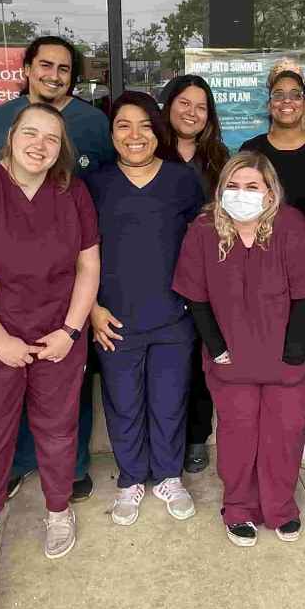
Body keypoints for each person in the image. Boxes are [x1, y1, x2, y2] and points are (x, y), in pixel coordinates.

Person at [0, 102, 100, 568]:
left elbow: (88, 266)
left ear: (62, 150)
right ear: (9, 137)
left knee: (57, 431)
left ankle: (58, 510)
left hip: (58, 334)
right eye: (30, 134)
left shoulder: (73, 193)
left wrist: (71, 332)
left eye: (51, 139)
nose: (40, 145)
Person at [0, 35, 111, 502]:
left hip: (69, 278)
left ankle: (70, 467)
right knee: (10, 379)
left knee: (66, 382)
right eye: (45, 65)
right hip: (6, 282)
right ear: (28, 67)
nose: (54, 75)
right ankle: (16, 463)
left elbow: (104, 201)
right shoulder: (0, 119)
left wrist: (93, 302)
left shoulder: (92, 123)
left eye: (64, 69)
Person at [172, 152, 305, 546]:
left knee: (284, 434)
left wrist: (293, 354)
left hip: (287, 357)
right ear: (221, 190)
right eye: (234, 186)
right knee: (238, 435)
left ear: (270, 192)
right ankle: (238, 507)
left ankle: (280, 508)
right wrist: (216, 347)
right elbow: (196, 296)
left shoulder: (291, 226)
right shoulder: (205, 229)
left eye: (252, 186)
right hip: (231, 358)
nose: (242, 194)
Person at [87, 91, 205, 525]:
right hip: (114, 320)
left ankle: (169, 475)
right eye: (123, 125)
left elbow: (202, 245)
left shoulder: (182, 180)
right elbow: (79, 254)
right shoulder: (95, 184)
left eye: (143, 125)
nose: (134, 135)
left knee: (171, 401)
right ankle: (132, 478)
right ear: (111, 133)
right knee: (123, 402)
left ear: (157, 131)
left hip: (174, 318)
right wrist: (92, 309)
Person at [239, 65, 305, 470]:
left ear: (304, 103)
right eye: (278, 94)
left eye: (294, 94)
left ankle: (301, 430)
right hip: (264, 265)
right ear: (269, 103)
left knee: (304, 348)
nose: (286, 101)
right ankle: (271, 426)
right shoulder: (253, 151)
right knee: (270, 343)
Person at [160, 74, 229, 474]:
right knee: (169, 364)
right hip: (157, 272)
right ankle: (165, 439)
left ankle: (196, 437)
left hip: (207, 276)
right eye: (184, 103)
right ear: (169, 106)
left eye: (201, 106)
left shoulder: (220, 159)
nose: (192, 112)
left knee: (202, 360)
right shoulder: (149, 151)